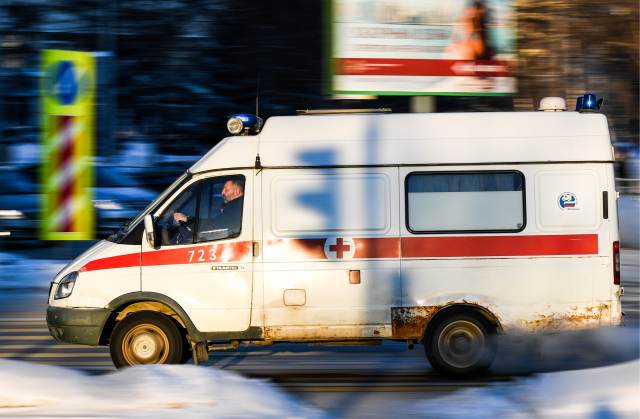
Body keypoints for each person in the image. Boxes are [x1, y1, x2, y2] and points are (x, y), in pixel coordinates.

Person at [173, 178, 244, 242]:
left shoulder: (235, 207)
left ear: (237, 192)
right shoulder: (240, 205)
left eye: (226, 190)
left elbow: (216, 226)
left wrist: (188, 220)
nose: (222, 193)